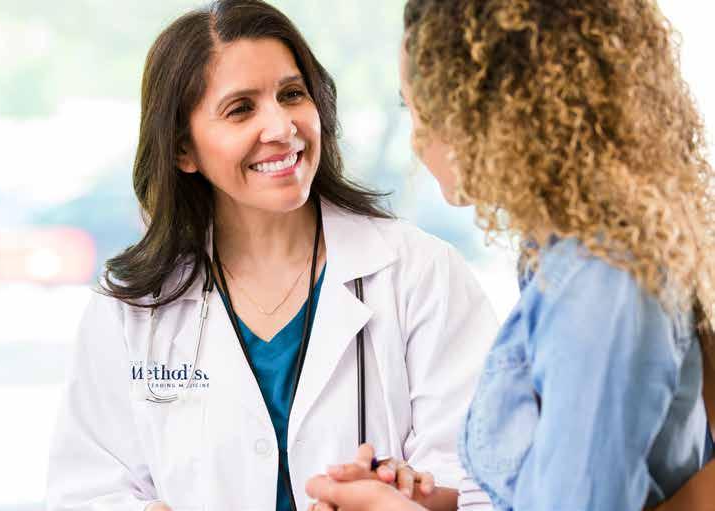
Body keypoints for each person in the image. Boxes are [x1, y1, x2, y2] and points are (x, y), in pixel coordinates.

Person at [44, 1, 499, 510]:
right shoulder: (132, 307)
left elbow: (486, 485)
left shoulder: (420, 274)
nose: (282, 127)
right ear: (182, 150)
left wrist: (404, 500)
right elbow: (87, 491)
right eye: (241, 109)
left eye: (292, 95)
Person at [306, 0, 715, 510]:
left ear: (489, 111)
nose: (416, 141)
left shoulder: (600, 286)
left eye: (420, 110)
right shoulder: (561, 259)